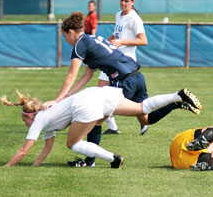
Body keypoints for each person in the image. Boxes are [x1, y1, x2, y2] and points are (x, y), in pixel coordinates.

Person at [42, 11, 202, 167]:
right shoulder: (93, 38)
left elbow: (71, 76)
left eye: (65, 36)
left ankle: (89, 161)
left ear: (70, 32)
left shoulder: (79, 44)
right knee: (145, 119)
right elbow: (87, 75)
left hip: (124, 80)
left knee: (96, 121)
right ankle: (176, 103)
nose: (66, 40)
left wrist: (56, 100)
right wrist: (68, 95)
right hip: (137, 76)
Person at [0, 86, 201, 167]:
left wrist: (6, 167)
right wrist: (34, 167)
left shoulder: (40, 120)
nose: (25, 123)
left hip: (84, 103)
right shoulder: (46, 120)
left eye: (24, 119)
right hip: (96, 93)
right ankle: (177, 95)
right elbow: (47, 148)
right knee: (141, 108)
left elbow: (24, 151)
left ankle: (113, 158)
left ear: (31, 115)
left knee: (73, 144)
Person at [101, 0, 148, 135]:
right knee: (101, 91)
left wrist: (123, 42)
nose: (123, 3)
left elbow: (143, 40)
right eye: (121, 0)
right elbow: (117, 33)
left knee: (117, 100)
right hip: (112, 60)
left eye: (126, 1)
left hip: (125, 65)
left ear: (133, 2)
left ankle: (144, 121)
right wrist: (105, 42)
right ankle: (112, 127)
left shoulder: (135, 19)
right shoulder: (118, 15)